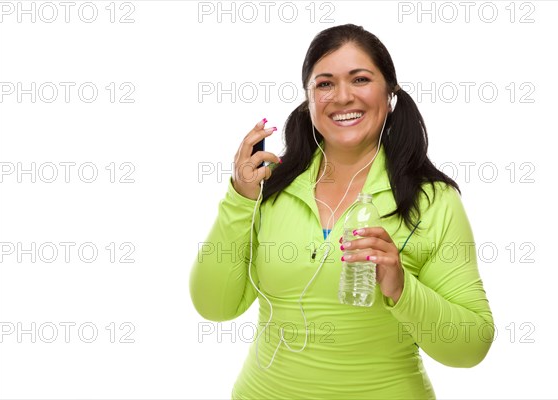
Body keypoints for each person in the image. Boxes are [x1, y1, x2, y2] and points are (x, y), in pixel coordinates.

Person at [190, 24, 494, 399]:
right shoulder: (270, 188)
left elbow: (470, 347)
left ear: (390, 92)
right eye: (325, 84)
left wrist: (402, 288)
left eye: (361, 79)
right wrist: (240, 198)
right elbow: (213, 306)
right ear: (308, 100)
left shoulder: (432, 201)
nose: (343, 97)